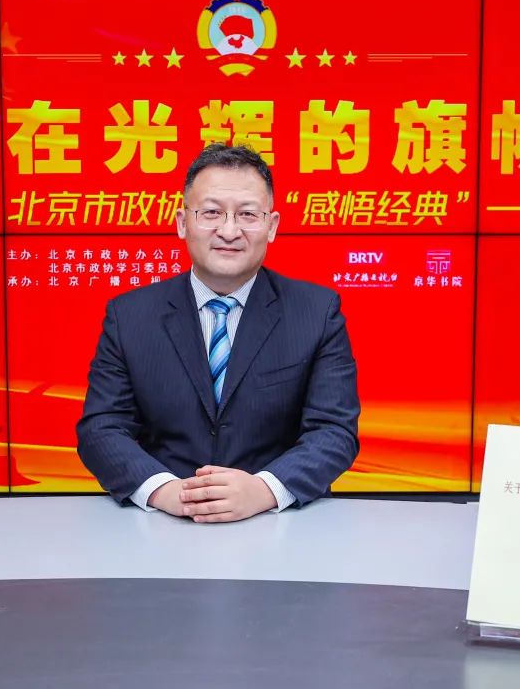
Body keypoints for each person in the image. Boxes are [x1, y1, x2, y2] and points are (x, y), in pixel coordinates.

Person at [76, 143, 359, 523]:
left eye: (247, 214)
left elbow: (334, 431)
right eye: (211, 212)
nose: (229, 230)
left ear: (272, 226)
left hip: (279, 523)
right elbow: (101, 428)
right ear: (182, 222)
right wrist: (166, 491)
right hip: (162, 522)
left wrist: (263, 490)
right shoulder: (129, 316)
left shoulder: (317, 312)